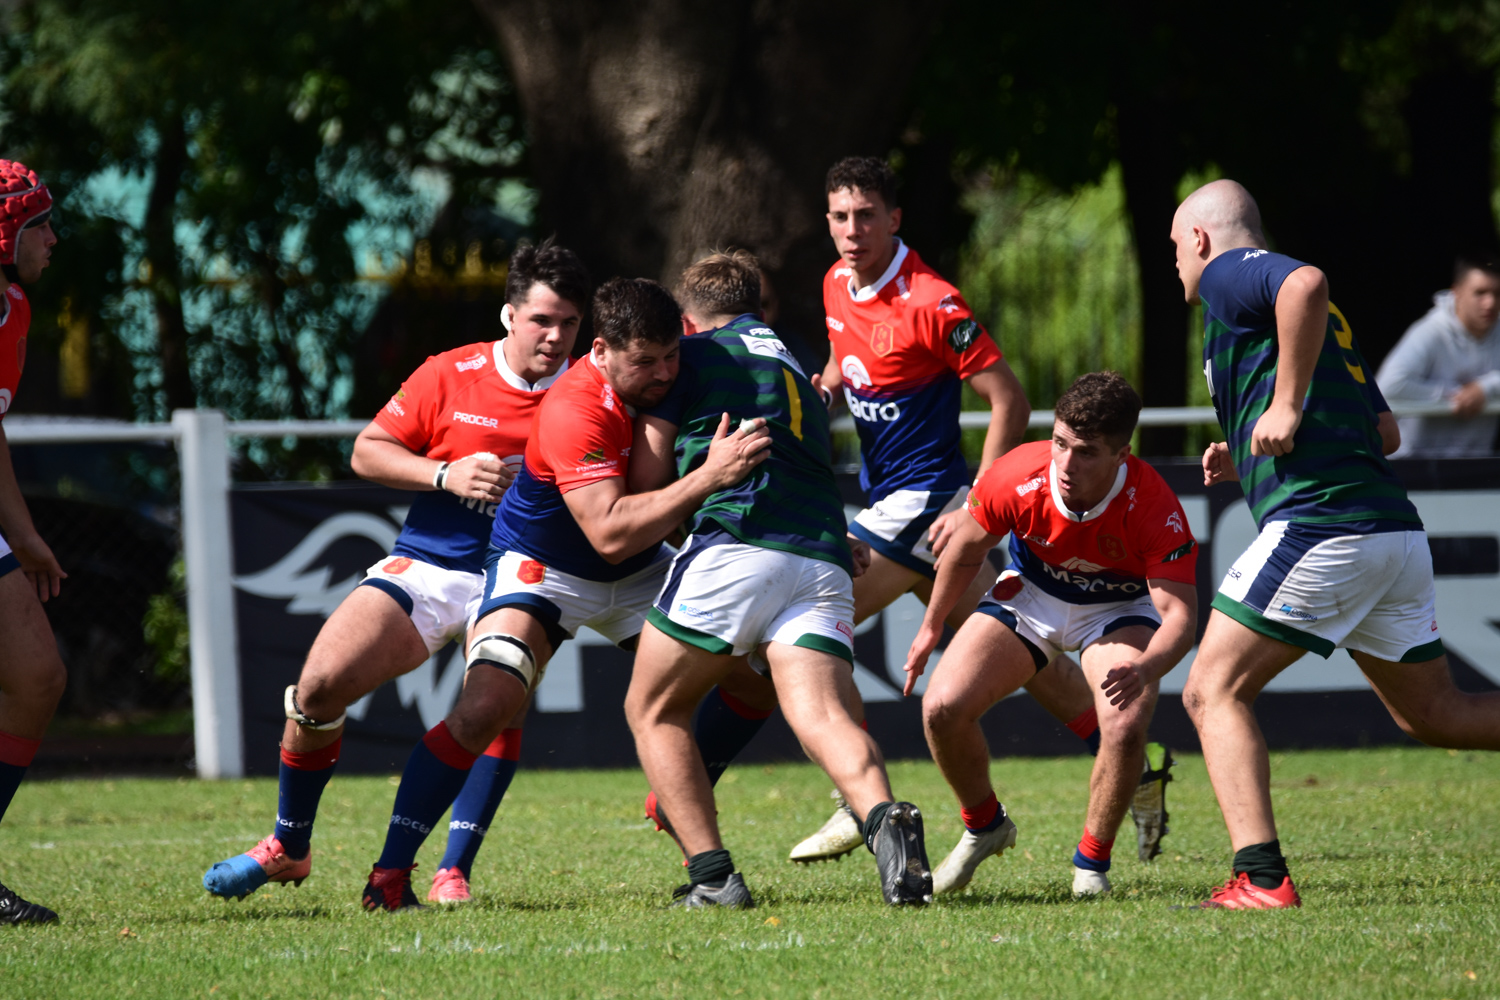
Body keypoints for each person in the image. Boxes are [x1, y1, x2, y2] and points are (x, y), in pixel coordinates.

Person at [788, 155, 1156, 865]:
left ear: (895, 219)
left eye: (867, 216)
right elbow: (842, 362)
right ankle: (1138, 768)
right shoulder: (836, 283)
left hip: (927, 500)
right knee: (1032, 657)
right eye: (840, 216)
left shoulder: (934, 301)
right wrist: (821, 389)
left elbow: (1009, 399)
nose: (852, 230)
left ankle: (853, 800)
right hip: (897, 503)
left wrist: (975, 502)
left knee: (805, 626)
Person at [360, 277, 770, 911]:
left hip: (639, 570)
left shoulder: (678, 369)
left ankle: (679, 796)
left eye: (671, 356)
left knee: (756, 682)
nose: (664, 373)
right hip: (544, 568)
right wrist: (709, 478)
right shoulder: (574, 407)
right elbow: (609, 534)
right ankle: (390, 874)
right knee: (486, 705)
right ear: (601, 350)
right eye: (646, 361)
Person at [203, 240, 592, 904]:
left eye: (570, 324)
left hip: (523, 576)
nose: (556, 338)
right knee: (317, 687)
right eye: (541, 320)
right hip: (431, 565)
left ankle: (447, 868)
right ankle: (288, 846)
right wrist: (444, 474)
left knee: (492, 708)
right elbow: (367, 451)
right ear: (509, 315)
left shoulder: (591, 390)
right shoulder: (450, 372)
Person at [1171, 179, 1500, 909]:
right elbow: (1383, 431)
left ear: (1199, 238)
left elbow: (1306, 281)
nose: (1176, 264)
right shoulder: (1321, 323)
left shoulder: (1229, 273)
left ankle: (1261, 880)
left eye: (1174, 247)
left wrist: (1286, 405)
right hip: (1391, 530)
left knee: (1211, 690)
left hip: (1324, 526)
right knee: (1435, 714)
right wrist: (1249, 450)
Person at [625, 250, 932, 908]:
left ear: (687, 319)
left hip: (738, 546)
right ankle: (886, 818)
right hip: (823, 557)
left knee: (652, 709)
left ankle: (713, 878)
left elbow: (646, 483)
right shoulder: (799, 366)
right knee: (822, 714)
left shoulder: (692, 355)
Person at [904, 372, 1197, 897]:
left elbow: (1179, 615)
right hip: (1032, 595)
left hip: (1116, 607)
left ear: (1121, 455)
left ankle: (1090, 867)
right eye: (1060, 442)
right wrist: (930, 628)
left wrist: (1147, 667)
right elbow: (965, 549)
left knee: (1126, 723)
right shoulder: (1017, 473)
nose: (1065, 463)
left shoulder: (1154, 505)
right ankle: (985, 825)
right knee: (941, 709)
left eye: (1086, 452)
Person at [0, 159, 64, 925]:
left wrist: (26, 536)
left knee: (37, 675)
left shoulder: (13, 308)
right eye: (39, 224)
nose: (52, 239)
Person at [1376, 254, 1500, 457]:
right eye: (1480, 293)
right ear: (1457, 292)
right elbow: (1388, 386)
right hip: (1415, 465)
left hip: (1477, 466)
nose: (1490, 303)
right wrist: (1455, 396)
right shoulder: (1430, 330)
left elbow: (1484, 388)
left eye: (1497, 293)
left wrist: (1486, 387)